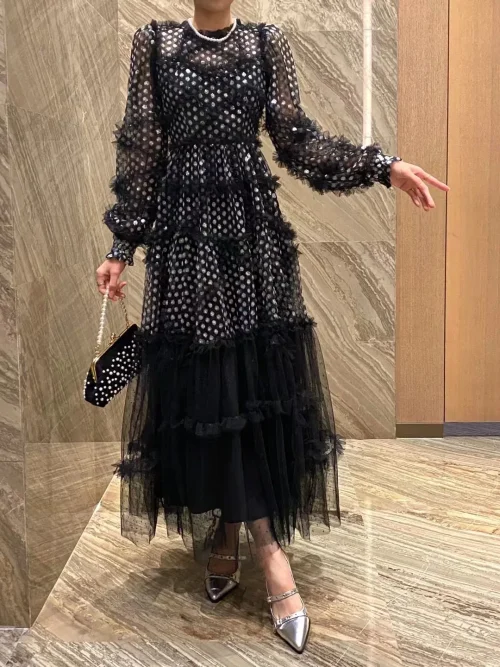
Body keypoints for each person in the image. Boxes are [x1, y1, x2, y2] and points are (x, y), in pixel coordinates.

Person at [95, 1, 449, 654]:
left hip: (252, 237)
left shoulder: (265, 42)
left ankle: (258, 542)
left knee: (250, 383)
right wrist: (121, 245)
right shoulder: (155, 44)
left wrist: (383, 166)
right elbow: (142, 148)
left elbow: (296, 140)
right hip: (184, 241)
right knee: (210, 384)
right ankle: (240, 533)